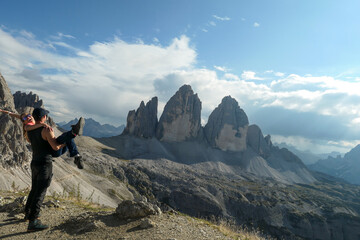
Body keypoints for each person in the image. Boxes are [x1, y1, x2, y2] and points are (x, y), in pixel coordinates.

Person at [1, 107, 84, 232]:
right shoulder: (45, 129)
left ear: (34, 117)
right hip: (45, 162)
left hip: (35, 163)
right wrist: (65, 143)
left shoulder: (28, 129)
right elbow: (55, 148)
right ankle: (33, 221)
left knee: (35, 189)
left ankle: (28, 213)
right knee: (40, 192)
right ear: (44, 117)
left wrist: (4, 111)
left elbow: (19, 116)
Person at [0, 108, 85, 168]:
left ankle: (76, 155)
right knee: (65, 137)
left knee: (67, 136)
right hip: (54, 150)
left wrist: (6, 112)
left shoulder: (29, 122)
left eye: (29, 116)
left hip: (50, 150)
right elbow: (27, 128)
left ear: (33, 116)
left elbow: (19, 116)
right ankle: (73, 134)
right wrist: (42, 124)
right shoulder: (29, 127)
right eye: (26, 118)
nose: (28, 117)